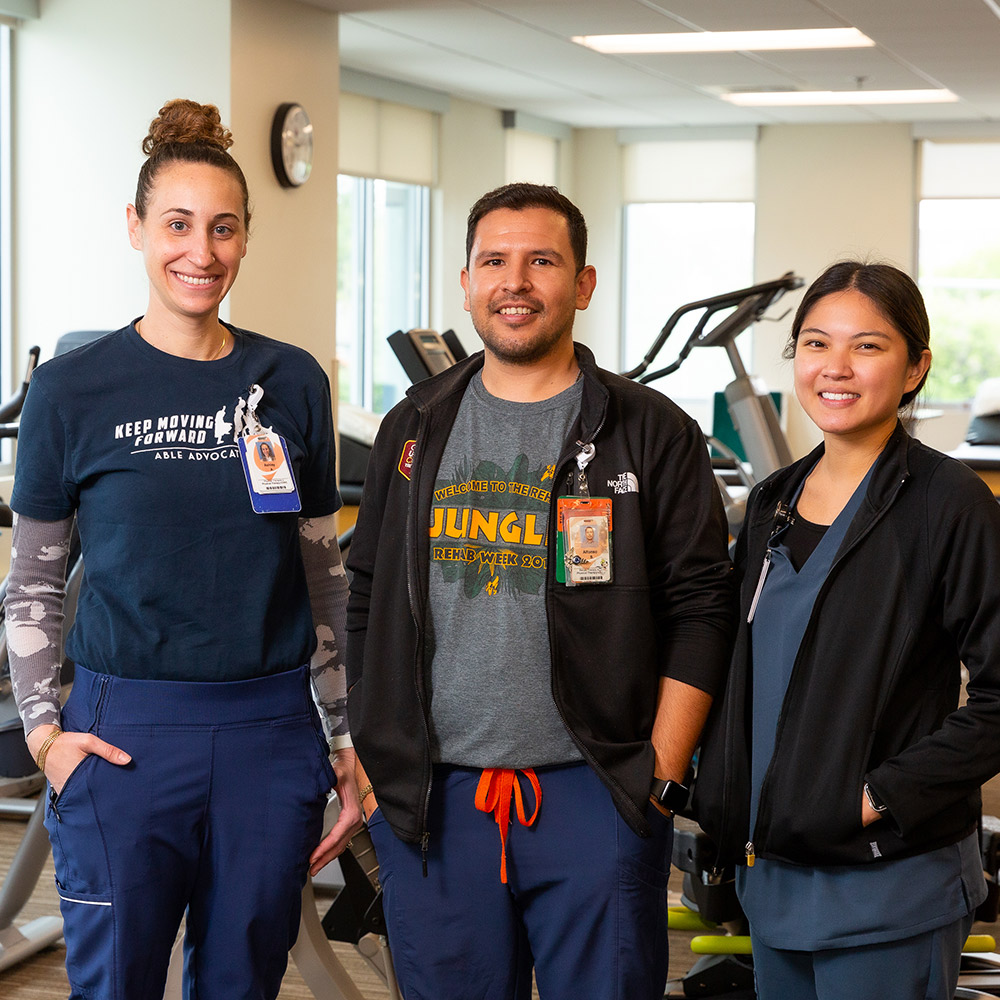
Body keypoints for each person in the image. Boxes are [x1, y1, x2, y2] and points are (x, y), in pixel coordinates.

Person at [3, 99, 360, 1000]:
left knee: (242, 983)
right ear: (135, 228)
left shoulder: (292, 381)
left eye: (223, 229)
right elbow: (35, 585)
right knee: (116, 984)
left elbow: (324, 579)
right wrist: (45, 735)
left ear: (245, 239)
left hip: (271, 732)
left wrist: (343, 735)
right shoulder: (71, 390)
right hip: (123, 734)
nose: (200, 252)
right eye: (176, 225)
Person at [345, 182, 733, 999]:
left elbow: (702, 608)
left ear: (583, 284)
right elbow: (368, 593)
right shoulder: (413, 424)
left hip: (596, 791)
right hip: (434, 801)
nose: (514, 282)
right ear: (465, 283)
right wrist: (371, 756)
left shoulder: (650, 430)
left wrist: (659, 776)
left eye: (541, 261)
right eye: (494, 261)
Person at [694, 261, 1000, 1000]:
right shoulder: (773, 500)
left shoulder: (948, 502)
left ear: (916, 366)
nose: (835, 367)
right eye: (815, 343)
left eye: (867, 346)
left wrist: (880, 795)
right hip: (774, 878)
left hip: (888, 882)